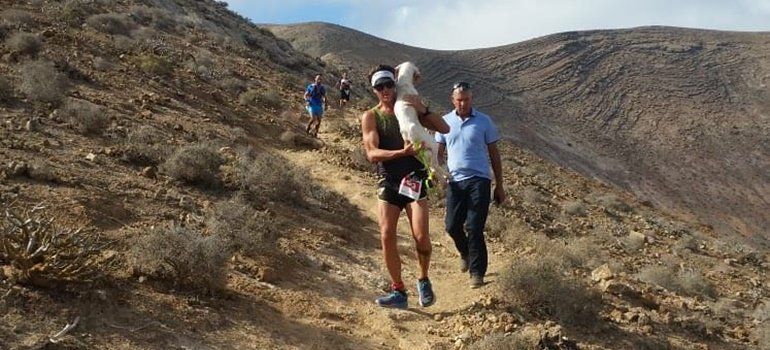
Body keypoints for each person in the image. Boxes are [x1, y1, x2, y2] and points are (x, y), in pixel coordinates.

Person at [361, 65, 449, 309]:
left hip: (415, 180)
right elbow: (372, 153)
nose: (385, 90)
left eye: (389, 84)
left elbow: (444, 128)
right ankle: (398, 290)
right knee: (386, 234)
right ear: (374, 90)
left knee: (421, 237)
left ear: (395, 84)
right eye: (380, 87)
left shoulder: (408, 108)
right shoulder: (371, 116)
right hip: (389, 181)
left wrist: (422, 109)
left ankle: (423, 278)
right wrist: (402, 152)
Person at [435, 81, 506, 289]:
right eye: (459, 100)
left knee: (474, 227)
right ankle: (465, 252)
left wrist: (499, 185)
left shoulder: (484, 122)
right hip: (455, 181)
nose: (463, 104)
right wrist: (437, 173)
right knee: (451, 225)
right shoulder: (444, 122)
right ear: (452, 100)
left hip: (479, 180)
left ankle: (477, 272)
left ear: (471, 99)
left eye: (466, 100)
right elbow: (438, 155)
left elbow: (494, 154)